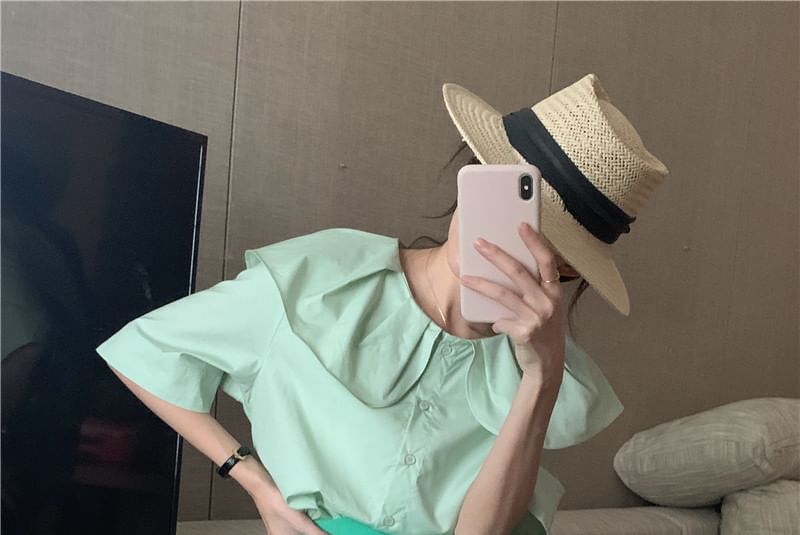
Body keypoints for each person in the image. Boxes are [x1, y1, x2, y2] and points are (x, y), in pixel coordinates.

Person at [95, 73, 670, 535]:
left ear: (568, 269)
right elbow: (144, 352)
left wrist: (541, 378)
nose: (511, 237)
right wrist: (253, 481)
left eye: (550, 236)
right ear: (473, 177)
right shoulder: (318, 284)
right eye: (510, 204)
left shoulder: (538, 358)